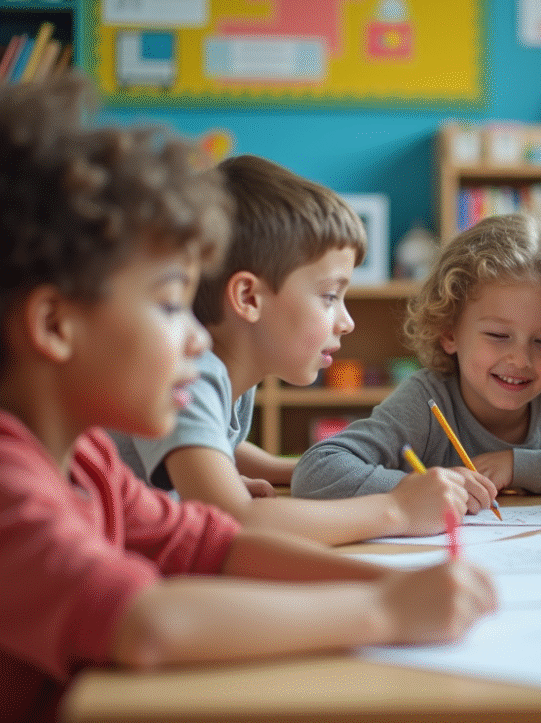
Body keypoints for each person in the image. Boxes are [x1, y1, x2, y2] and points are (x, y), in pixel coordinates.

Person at [0, 75, 496, 723]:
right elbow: (149, 625)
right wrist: (385, 611)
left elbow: (214, 545)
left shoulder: (86, 457)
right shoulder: (11, 480)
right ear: (55, 326)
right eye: (169, 303)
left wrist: (395, 583)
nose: (196, 336)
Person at [108, 153, 497, 546]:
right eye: (330, 296)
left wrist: (288, 471)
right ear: (248, 297)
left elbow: (222, 441)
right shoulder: (192, 374)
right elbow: (235, 525)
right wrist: (398, 509)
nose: (347, 322)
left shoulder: (228, 368)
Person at [291, 212, 541, 498]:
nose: (521, 360)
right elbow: (318, 470)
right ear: (449, 333)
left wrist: (523, 466)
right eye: (499, 336)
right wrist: (415, 488)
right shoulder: (427, 402)